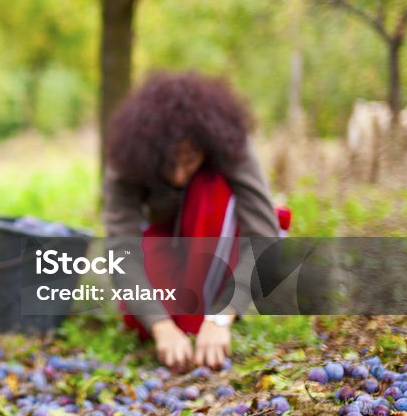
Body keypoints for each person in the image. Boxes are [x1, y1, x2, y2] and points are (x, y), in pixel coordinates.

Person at [102, 72, 282, 372]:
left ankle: (215, 302)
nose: (178, 176)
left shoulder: (230, 144)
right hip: (162, 233)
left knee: (208, 189)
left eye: (189, 161)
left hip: (215, 229)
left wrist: (222, 315)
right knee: (143, 321)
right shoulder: (127, 157)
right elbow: (121, 252)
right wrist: (160, 326)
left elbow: (263, 235)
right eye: (168, 164)